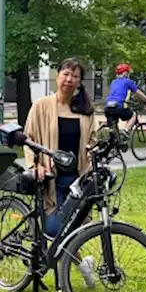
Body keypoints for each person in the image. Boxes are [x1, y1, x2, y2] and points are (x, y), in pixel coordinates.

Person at [22, 58, 96, 238]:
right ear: (57, 76)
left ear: (79, 81)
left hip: (76, 180)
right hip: (51, 179)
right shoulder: (42, 106)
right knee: (54, 230)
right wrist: (36, 165)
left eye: (75, 76)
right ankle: (81, 264)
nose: (69, 79)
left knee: (75, 230)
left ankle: (68, 264)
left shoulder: (85, 110)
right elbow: (28, 139)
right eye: (66, 74)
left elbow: (93, 141)